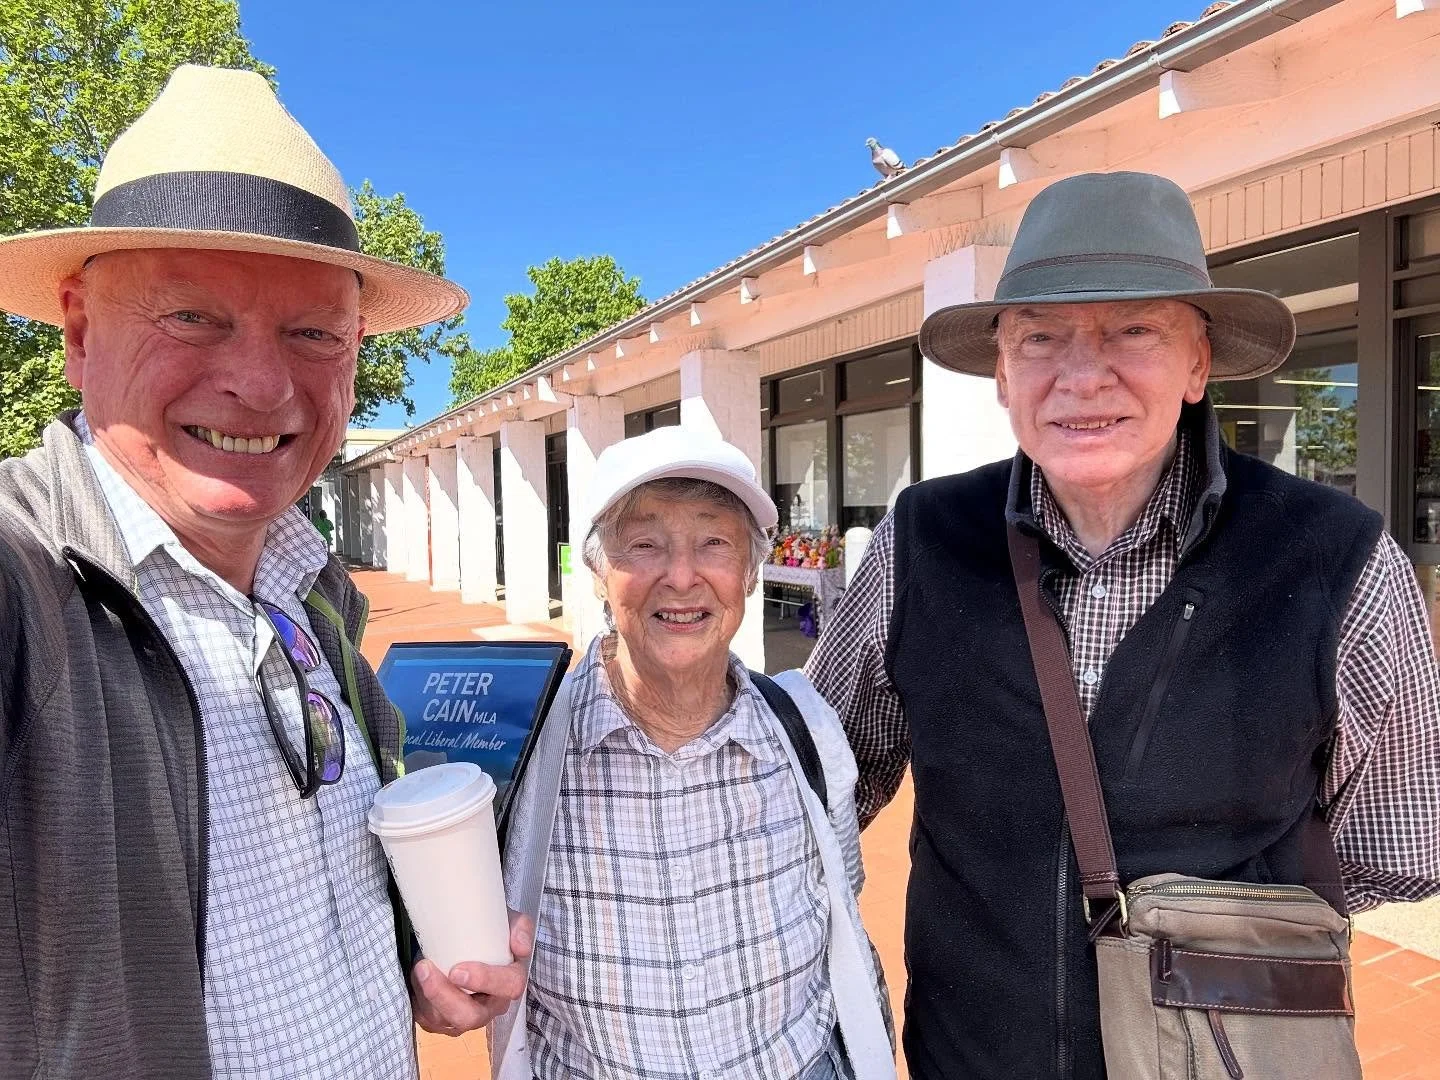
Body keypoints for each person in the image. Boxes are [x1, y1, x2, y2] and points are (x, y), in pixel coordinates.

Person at [806, 171, 1440, 1079]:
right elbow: (830, 784)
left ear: (1199, 361)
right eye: (1040, 338)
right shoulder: (922, 540)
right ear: (1001, 373)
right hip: (972, 1059)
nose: (1080, 375)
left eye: (1134, 329)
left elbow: (1393, 848)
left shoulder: (1335, 557)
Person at [0, 66, 527, 1080]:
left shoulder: (312, 597)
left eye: (313, 332)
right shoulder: (30, 587)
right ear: (76, 330)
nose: (262, 383)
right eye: (191, 316)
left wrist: (416, 950)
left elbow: (317, 873)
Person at [488, 425, 895, 1080]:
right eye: (644, 545)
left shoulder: (807, 730)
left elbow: (843, 917)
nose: (682, 576)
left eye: (715, 544)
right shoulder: (520, 748)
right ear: (597, 570)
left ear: (750, 571)